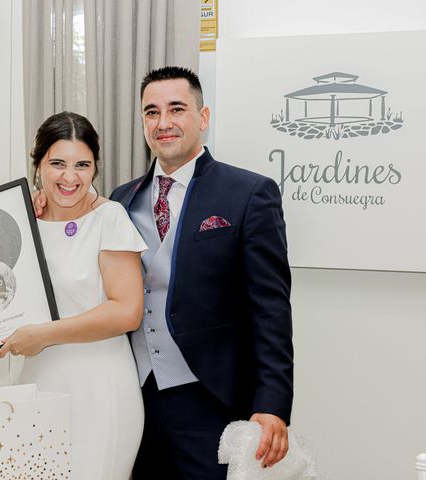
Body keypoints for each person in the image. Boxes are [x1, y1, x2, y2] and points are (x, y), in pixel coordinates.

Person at [32, 66, 294, 479]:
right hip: (133, 393)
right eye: (152, 112)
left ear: (202, 118)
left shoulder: (248, 193)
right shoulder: (121, 200)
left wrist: (272, 403)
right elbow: (76, 217)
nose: (164, 122)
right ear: (142, 123)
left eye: (177, 109)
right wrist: (43, 203)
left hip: (211, 396)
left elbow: (271, 309)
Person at [0, 111, 147, 480]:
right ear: (38, 164)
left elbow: (127, 312)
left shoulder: (110, 218)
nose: (70, 177)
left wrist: (43, 335)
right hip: (36, 384)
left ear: (95, 167)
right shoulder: (16, 224)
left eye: (82, 165)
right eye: (57, 163)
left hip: (100, 389)